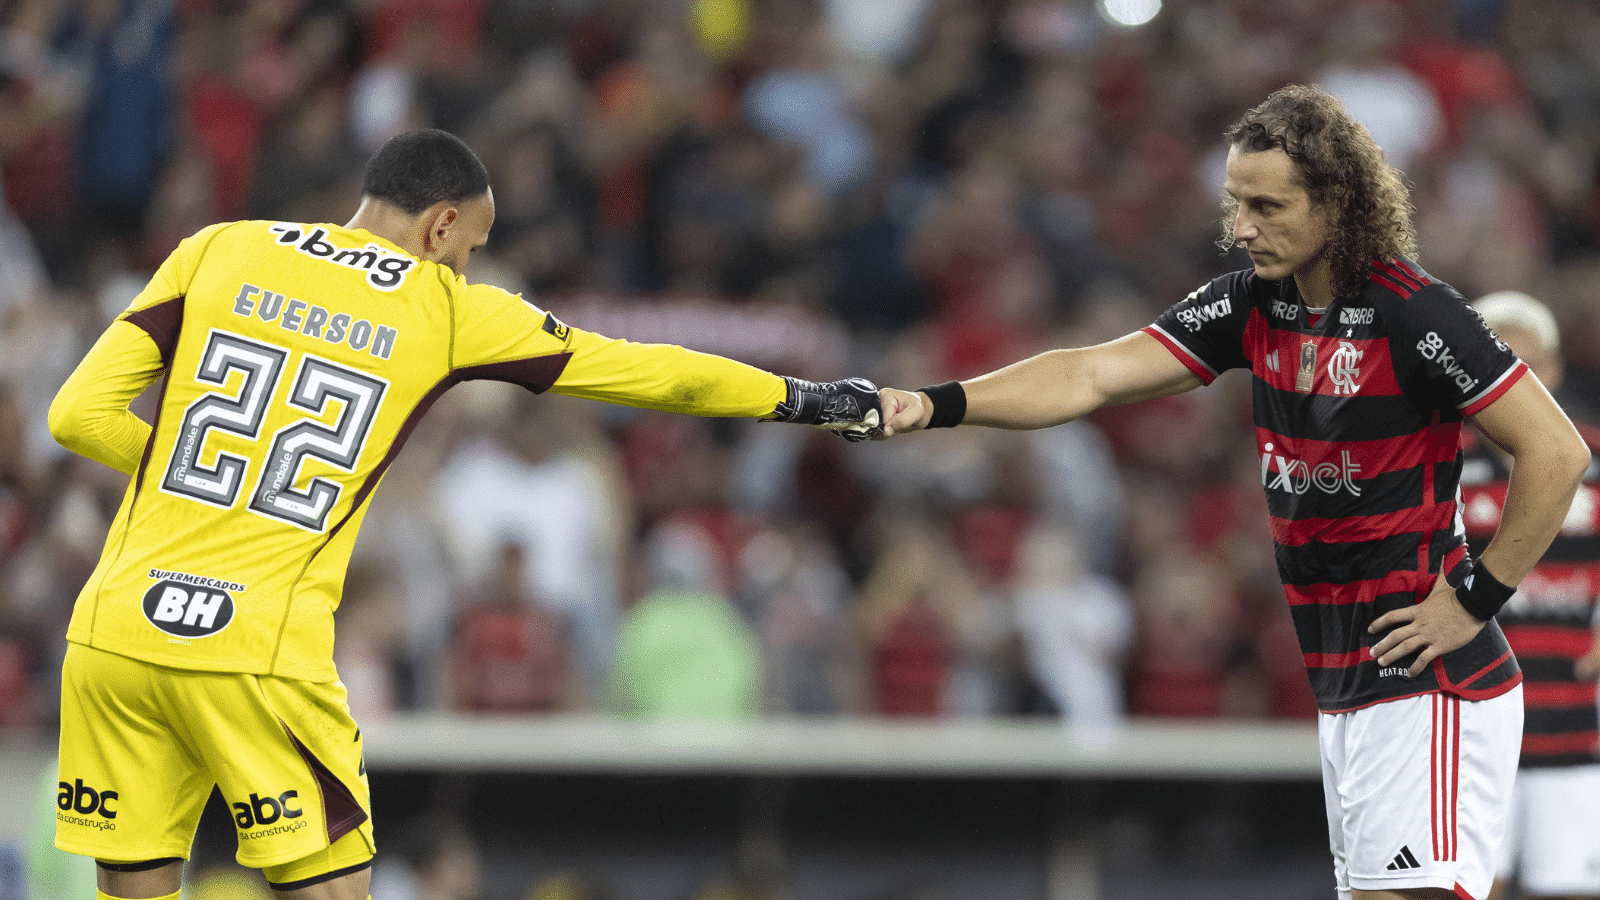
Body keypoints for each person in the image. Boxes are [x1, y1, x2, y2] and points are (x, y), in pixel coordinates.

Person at [46, 128, 881, 900]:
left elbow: (77, 414)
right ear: (441, 226)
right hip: (253, 645)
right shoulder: (446, 309)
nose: (468, 270)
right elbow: (664, 376)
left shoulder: (220, 247)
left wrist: (197, 476)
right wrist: (819, 400)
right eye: (471, 251)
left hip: (116, 627)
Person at [876, 84, 1592, 900]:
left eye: (1267, 205)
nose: (1242, 226)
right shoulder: (1251, 306)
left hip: (1429, 680)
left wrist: (1473, 599)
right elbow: (1092, 372)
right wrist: (936, 404)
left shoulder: (1414, 314)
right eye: (1235, 203)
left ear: (1338, 202)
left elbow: (1556, 452)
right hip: (1348, 683)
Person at [1463, 291, 1600, 900]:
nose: (1517, 378)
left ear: (1555, 369)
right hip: (1469, 738)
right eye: (1500, 360)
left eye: (1530, 362)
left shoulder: (1593, 460)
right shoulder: (1436, 464)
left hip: (1576, 735)